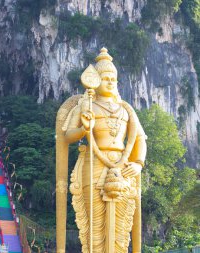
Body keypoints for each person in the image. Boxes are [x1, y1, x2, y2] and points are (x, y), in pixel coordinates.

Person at [60, 48, 147, 252]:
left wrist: (138, 163)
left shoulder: (126, 109)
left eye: (113, 79)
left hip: (123, 165)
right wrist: (84, 128)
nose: (110, 82)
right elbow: (67, 136)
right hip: (94, 163)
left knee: (121, 224)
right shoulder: (85, 105)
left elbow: (140, 138)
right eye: (105, 78)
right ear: (95, 81)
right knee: (95, 224)